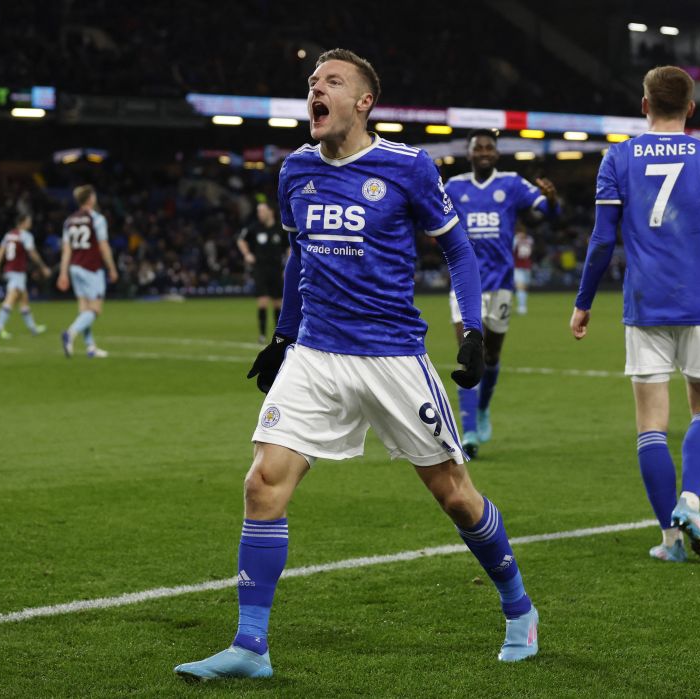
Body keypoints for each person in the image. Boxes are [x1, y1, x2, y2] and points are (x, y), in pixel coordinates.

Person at [174, 48, 539, 683]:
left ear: (364, 102)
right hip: (316, 354)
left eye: (331, 82)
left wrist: (473, 328)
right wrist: (284, 337)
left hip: (393, 356)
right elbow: (298, 257)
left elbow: (458, 251)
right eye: (311, 83)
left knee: (455, 496)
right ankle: (250, 645)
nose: (315, 91)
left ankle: (520, 610)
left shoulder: (408, 166)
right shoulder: (294, 171)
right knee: (262, 484)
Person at [570, 66, 700, 564]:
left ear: (644, 105)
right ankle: (692, 501)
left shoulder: (618, 157)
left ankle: (670, 540)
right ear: (692, 108)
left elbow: (600, 241)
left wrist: (584, 301)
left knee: (651, 425)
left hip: (645, 304)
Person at [444, 130, 559, 458]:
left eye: (488, 148)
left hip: (502, 284)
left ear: (496, 154)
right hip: (465, 284)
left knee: (492, 355)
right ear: (468, 154)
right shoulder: (453, 188)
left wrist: (551, 199)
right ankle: (468, 435)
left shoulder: (511, 184)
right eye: (477, 147)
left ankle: (482, 410)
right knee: (469, 355)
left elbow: (548, 214)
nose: (483, 152)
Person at [56, 185, 118, 358]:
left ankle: (90, 347)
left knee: (84, 310)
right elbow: (103, 245)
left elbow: (66, 249)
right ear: (91, 198)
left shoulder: (69, 221)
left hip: (75, 268)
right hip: (91, 268)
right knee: (95, 310)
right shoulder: (97, 218)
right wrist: (112, 268)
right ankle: (70, 333)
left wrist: (63, 273)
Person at [0, 213, 51, 338]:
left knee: (24, 299)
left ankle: (33, 328)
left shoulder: (9, 235)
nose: (30, 223)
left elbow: (0, 252)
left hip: (10, 270)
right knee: (11, 299)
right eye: (29, 221)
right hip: (17, 272)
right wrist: (43, 267)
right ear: (23, 223)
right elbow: (32, 253)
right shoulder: (25, 236)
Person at [237, 201, 289, 343]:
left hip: (277, 269)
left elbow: (289, 248)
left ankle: (278, 335)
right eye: (258, 211)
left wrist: (288, 267)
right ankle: (261, 335)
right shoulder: (254, 228)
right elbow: (241, 240)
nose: (259, 214)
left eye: (262, 211)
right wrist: (247, 254)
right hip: (260, 269)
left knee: (278, 303)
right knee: (263, 302)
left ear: (270, 212)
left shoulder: (280, 229)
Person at [513, 229, 535, 314]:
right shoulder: (529, 240)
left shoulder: (519, 240)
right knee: (520, 286)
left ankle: (523, 306)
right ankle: (522, 307)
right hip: (518, 266)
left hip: (526, 266)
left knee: (524, 287)